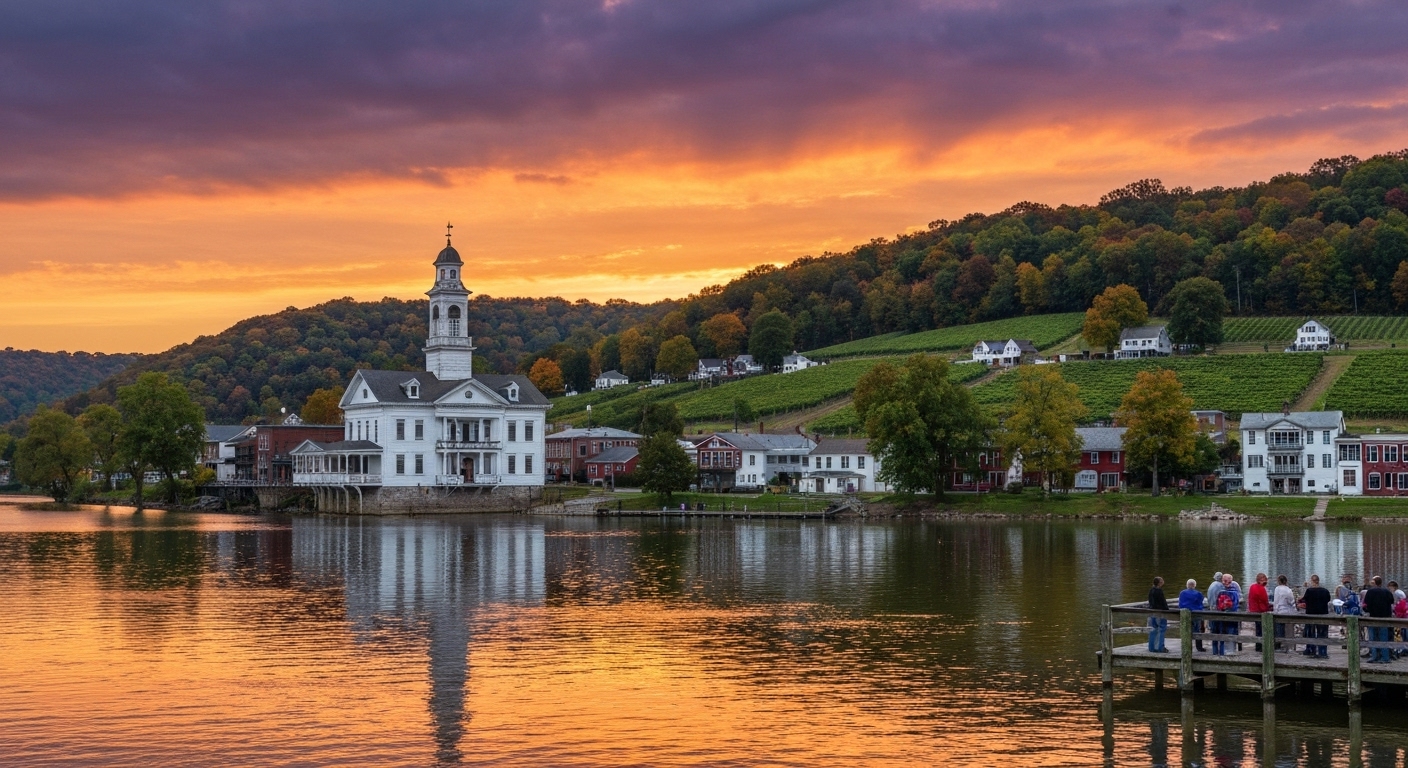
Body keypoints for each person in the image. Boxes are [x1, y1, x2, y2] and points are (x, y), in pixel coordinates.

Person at [1364, 576, 1394, 663]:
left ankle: (1374, 656)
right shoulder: (1387, 591)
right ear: (1381, 583)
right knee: (1384, 637)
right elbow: (1391, 602)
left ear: (1374, 583)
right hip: (1384, 618)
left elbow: (1366, 603)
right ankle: (1385, 657)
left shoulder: (1370, 592)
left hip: (1373, 617)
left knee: (1373, 637)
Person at [1299, 575, 1331, 658]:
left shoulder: (1309, 591)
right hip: (1323, 614)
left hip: (1311, 615)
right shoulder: (1325, 591)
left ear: (1311, 581)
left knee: (1310, 633)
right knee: (1322, 634)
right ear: (1318, 581)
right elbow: (1328, 599)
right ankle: (1323, 652)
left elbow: (1303, 600)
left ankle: (1310, 649)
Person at [1215, 573, 1241, 655]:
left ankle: (1223, 652)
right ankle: (1231, 651)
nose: (1223, 582)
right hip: (1233, 616)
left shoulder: (1221, 592)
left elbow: (1218, 606)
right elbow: (1236, 604)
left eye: (1223, 580)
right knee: (1232, 633)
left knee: (1223, 634)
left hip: (1223, 616)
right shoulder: (1235, 592)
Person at [1179, 579, 1206, 651]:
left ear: (1187, 585)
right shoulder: (1198, 593)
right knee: (1197, 630)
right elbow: (1201, 602)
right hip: (1196, 613)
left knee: (1186, 630)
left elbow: (1180, 603)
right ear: (1194, 585)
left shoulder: (1182, 593)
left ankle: (1186, 647)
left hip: (1185, 614)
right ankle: (1199, 647)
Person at [1272, 575, 1296, 651]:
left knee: (1278, 629)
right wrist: (1295, 611)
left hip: (1278, 610)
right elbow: (1291, 601)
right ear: (1286, 581)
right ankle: (1287, 645)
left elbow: (1275, 600)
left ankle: (1278, 646)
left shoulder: (1276, 589)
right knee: (1288, 630)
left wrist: (1275, 609)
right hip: (1286, 611)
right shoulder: (1288, 590)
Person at [1248, 573, 1270, 651]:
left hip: (1253, 610)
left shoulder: (1252, 587)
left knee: (1258, 629)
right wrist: (1268, 608)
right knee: (1262, 629)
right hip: (1261, 611)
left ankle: (1258, 646)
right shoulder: (1261, 588)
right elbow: (1265, 601)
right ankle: (1261, 646)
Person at [1147, 577, 1169, 653]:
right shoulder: (1159, 591)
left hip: (1152, 612)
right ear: (1159, 583)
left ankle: (1151, 647)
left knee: (1153, 629)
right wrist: (1167, 611)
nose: (1163, 581)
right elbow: (1163, 602)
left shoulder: (1151, 590)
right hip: (1160, 612)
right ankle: (1160, 648)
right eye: (1162, 580)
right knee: (1161, 629)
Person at [1208, 572, 1225, 645]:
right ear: (1221, 578)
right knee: (1220, 628)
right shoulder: (1221, 586)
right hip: (1218, 609)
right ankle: (1221, 647)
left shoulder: (1212, 584)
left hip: (1211, 607)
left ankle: (1214, 647)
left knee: (1213, 628)